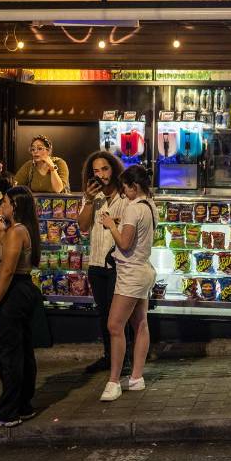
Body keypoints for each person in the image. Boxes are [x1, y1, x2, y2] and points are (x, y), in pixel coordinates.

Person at [0, 185, 43, 427]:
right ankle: (23, 404)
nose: (2, 205)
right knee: (21, 350)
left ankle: (7, 412)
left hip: (13, 290)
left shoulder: (18, 232)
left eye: (5, 202)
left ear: (15, 206)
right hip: (19, 289)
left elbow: (6, 270)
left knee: (8, 353)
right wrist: (0, 223)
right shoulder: (15, 229)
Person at [97, 165, 157, 401]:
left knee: (114, 326)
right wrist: (120, 221)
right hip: (144, 269)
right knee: (140, 323)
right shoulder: (150, 205)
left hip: (130, 273)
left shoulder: (133, 209)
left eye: (125, 187)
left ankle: (113, 382)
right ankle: (136, 377)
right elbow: (138, 230)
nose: (123, 192)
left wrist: (112, 225)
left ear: (134, 186)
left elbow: (123, 243)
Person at [76, 150, 133, 375]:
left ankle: (124, 359)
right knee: (103, 313)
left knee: (118, 315)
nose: (101, 175)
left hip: (119, 263)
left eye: (105, 169)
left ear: (114, 169)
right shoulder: (92, 196)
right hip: (97, 262)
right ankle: (109, 356)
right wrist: (89, 200)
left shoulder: (125, 195)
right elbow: (82, 225)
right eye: (96, 171)